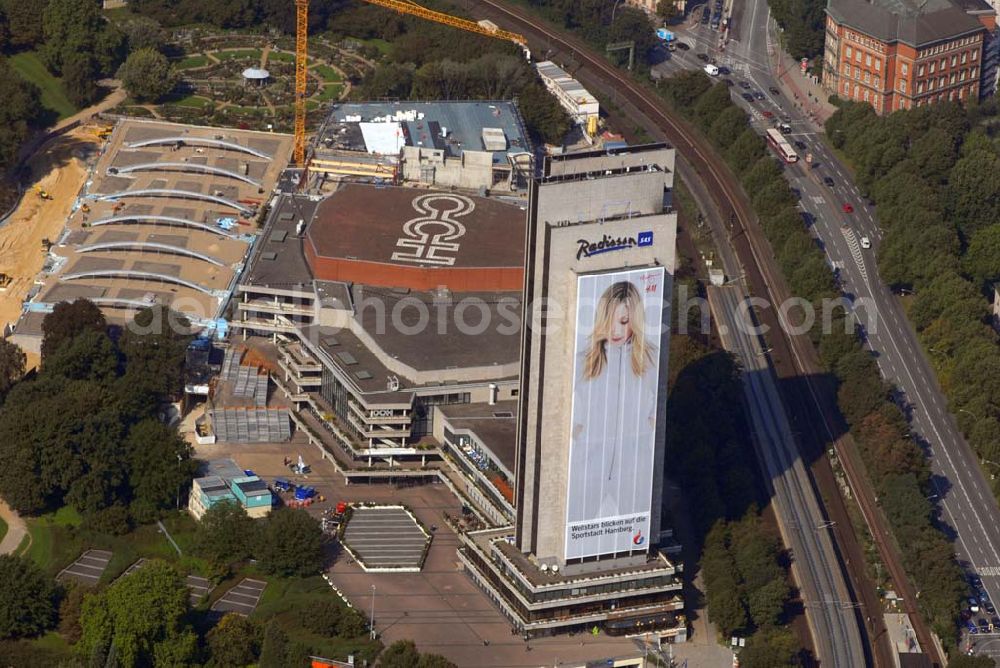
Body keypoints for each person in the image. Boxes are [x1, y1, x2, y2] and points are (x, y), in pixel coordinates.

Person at [568, 279, 659, 540]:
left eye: (624, 321)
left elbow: (657, 409)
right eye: (610, 320)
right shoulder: (585, 360)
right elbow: (560, 406)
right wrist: (578, 434)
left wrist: (645, 432)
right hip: (589, 464)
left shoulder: (649, 358)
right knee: (573, 532)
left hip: (633, 468)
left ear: (636, 320)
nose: (616, 330)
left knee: (636, 535)